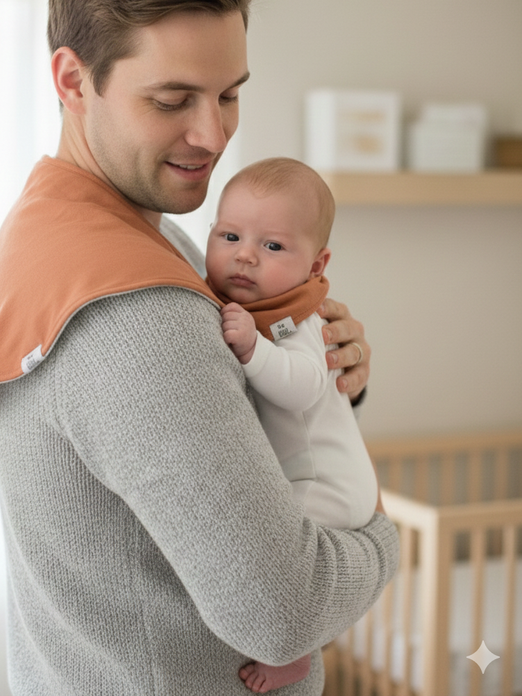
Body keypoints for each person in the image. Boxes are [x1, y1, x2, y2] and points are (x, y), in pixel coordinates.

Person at [0, 0, 398, 696]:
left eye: (230, 94)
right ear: (71, 79)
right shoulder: (134, 311)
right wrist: (386, 538)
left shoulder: (73, 228)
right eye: (173, 99)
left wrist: (327, 393)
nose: (213, 134)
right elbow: (285, 613)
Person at [205, 157, 379, 693]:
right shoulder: (246, 305)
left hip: (327, 483)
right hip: (310, 475)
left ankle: (292, 656)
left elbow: (303, 383)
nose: (245, 255)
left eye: (273, 246)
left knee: (274, 555)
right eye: (229, 235)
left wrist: (253, 349)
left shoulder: (297, 318)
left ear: (316, 262)